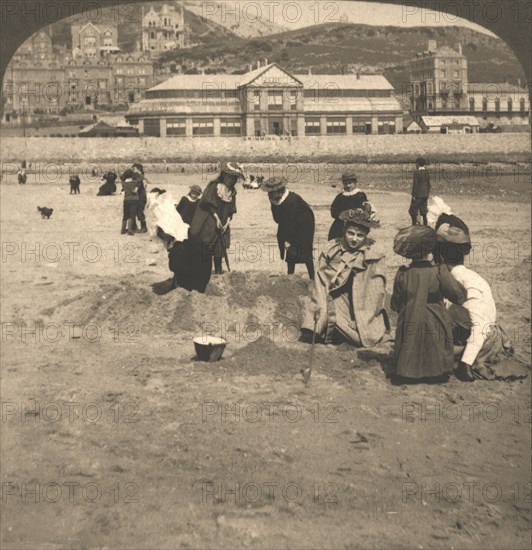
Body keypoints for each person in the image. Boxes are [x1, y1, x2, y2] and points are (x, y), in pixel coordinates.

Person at [434, 214, 525, 381]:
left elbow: (480, 326)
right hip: (462, 332)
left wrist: (466, 363)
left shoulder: (468, 282)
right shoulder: (456, 277)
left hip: (484, 338)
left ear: (439, 255)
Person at [300, 206, 389, 347]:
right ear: (344, 231)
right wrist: (317, 310)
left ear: (367, 235)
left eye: (360, 235)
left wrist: (360, 319)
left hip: (360, 308)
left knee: (363, 339)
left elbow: (375, 295)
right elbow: (320, 285)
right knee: (321, 320)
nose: (354, 239)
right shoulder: (332, 250)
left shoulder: (373, 255)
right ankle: (323, 327)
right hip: (332, 300)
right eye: (350, 233)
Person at [391, 225, 467, 382]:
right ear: (430, 250)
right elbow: (457, 296)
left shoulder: (403, 273)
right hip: (435, 318)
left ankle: (407, 370)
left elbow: (395, 304)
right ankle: (435, 371)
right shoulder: (439, 271)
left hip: (409, 320)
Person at [182, 162, 243, 290]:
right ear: (224, 175)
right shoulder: (214, 187)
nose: (232, 180)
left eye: (234, 178)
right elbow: (206, 204)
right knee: (207, 246)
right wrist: (216, 218)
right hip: (210, 221)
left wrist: (227, 222)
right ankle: (204, 274)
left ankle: (219, 273)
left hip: (223, 222)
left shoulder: (232, 192)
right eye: (230, 177)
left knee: (219, 249)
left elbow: (231, 210)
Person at [262, 177, 315, 279]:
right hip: (287, 223)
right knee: (289, 251)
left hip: (304, 225)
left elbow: (289, 221)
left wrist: (288, 240)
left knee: (304, 251)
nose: (269, 194)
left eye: (271, 192)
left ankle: (312, 277)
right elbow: (278, 219)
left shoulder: (291, 201)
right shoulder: (275, 199)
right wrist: (286, 240)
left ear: (279, 191)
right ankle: (290, 276)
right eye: (269, 192)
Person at [328, 172, 375, 240]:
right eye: (346, 184)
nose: (348, 186)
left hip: (355, 224)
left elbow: (363, 209)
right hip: (340, 224)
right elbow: (333, 209)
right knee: (336, 239)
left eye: (350, 183)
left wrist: (354, 213)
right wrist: (339, 215)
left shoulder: (360, 195)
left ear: (355, 183)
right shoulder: (340, 196)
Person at [120, 163, 148, 233]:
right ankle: (133, 227)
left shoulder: (139, 176)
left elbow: (142, 184)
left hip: (140, 197)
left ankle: (143, 227)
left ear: (138, 169)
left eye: (134, 169)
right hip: (137, 196)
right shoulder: (138, 176)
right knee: (133, 212)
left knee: (139, 212)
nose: (133, 171)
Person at [409, 157, 431, 226]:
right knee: (424, 211)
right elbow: (429, 184)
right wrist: (427, 193)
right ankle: (425, 225)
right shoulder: (427, 172)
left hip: (418, 194)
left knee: (412, 210)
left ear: (418, 164)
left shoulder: (416, 172)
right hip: (425, 194)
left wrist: (414, 195)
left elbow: (415, 184)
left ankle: (414, 225)